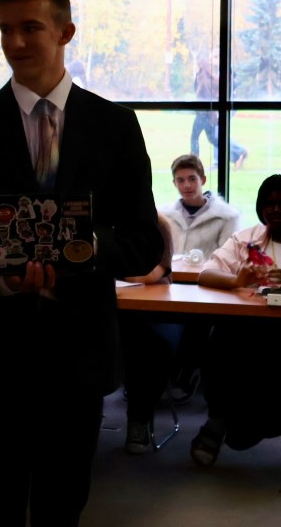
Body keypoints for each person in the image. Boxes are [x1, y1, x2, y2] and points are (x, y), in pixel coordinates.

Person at [0, 0, 162, 526]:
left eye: (30, 28)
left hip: (77, 354)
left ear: (65, 32)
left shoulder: (115, 127)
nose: (15, 42)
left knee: (62, 507)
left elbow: (142, 243)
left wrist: (84, 249)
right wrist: (1, 278)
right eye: (5, 29)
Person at [190, 174, 281, 467]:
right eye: (269, 203)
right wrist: (236, 280)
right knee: (222, 339)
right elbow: (206, 274)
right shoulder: (246, 239)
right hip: (249, 328)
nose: (275, 210)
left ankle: (235, 424)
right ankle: (219, 420)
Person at [160, 153, 241, 403]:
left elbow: (229, 259)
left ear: (203, 180)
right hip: (171, 284)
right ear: (174, 183)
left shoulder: (226, 217)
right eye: (180, 180)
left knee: (198, 319)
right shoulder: (163, 215)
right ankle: (155, 375)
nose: (186, 185)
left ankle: (187, 371)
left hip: (207, 285)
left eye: (192, 179)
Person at [118, 213, 180, 454]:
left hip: (155, 310)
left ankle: (139, 418)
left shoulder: (157, 223)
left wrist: (109, 266)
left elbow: (151, 274)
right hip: (112, 310)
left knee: (149, 346)